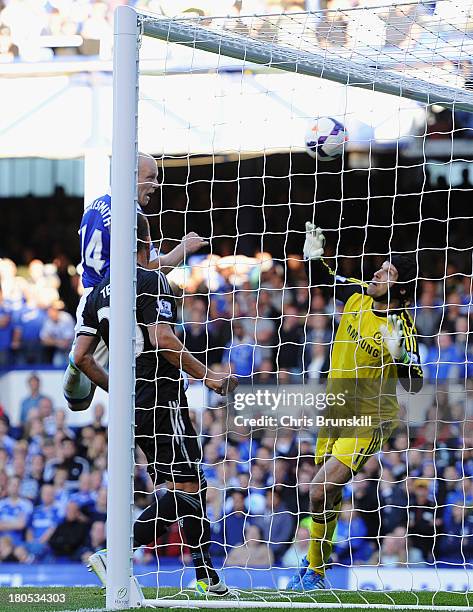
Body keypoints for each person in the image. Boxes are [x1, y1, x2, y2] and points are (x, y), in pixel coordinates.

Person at [72, 214, 238, 598]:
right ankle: (117, 553)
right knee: (188, 487)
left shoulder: (96, 294)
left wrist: (122, 390)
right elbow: (162, 338)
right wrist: (208, 376)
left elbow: (82, 357)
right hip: (163, 398)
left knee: (181, 488)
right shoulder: (152, 281)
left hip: (136, 404)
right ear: (148, 243)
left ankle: (206, 575)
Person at [286, 222, 423, 591]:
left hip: (369, 421)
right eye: (381, 267)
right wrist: (313, 258)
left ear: (400, 287)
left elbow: (416, 382)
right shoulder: (359, 295)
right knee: (325, 495)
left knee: (317, 490)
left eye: (388, 271)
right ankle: (316, 566)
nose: (377, 271)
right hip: (335, 413)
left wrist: (404, 355)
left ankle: (315, 570)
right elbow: (326, 280)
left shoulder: (401, 326)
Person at [63, 152, 208, 412]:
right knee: (167, 370)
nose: (156, 184)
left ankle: (93, 376)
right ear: (129, 176)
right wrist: (183, 249)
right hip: (116, 305)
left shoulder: (95, 205)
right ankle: (131, 396)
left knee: (79, 400)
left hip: (92, 303)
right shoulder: (130, 213)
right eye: (150, 177)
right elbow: (149, 269)